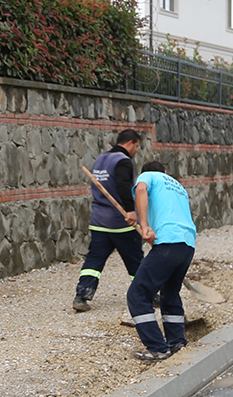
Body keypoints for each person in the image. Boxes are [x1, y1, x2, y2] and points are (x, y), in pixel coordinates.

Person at [125, 161, 197, 362]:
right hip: (187, 244)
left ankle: (157, 348)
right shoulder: (177, 185)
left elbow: (141, 190)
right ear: (166, 172)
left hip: (168, 242)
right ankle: (177, 343)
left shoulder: (148, 176)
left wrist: (145, 225)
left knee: (138, 294)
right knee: (170, 292)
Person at [72, 128, 144, 312]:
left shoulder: (101, 160)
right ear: (130, 143)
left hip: (99, 220)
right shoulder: (123, 161)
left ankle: (82, 296)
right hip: (120, 222)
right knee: (135, 260)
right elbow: (121, 186)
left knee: (94, 261)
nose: (136, 151)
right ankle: (146, 295)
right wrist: (131, 211)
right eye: (136, 147)